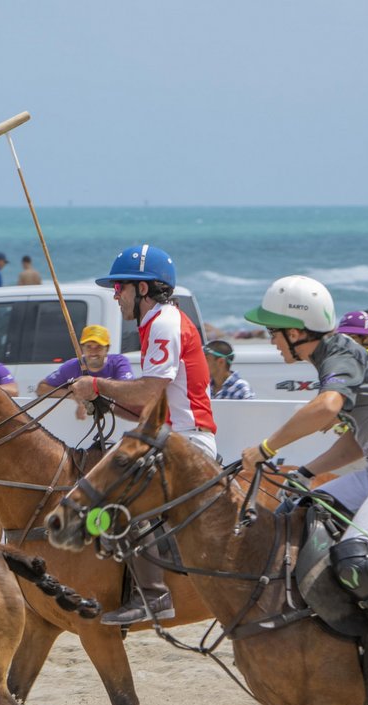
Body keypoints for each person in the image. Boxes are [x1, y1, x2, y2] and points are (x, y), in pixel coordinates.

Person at [243, 275, 368, 705]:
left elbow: (326, 408)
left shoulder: (339, 353)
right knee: (300, 507)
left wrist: (267, 448)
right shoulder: (329, 360)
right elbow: (357, 441)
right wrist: (308, 471)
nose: (272, 342)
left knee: (356, 553)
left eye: (273, 333)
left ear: (296, 331)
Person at [72, 244, 217, 625]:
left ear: (144, 289)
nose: (115, 295)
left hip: (187, 440)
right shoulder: (155, 323)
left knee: (120, 494)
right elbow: (148, 404)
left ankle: (153, 596)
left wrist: (98, 386)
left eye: (120, 287)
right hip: (170, 435)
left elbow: (149, 391)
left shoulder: (165, 322)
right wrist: (107, 403)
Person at [37, 324, 134, 417]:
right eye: (88, 347)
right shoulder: (71, 366)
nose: (93, 352)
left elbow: (129, 389)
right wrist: (72, 395)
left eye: (98, 347)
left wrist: (95, 391)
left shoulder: (119, 362)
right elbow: (41, 388)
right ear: (82, 348)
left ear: (107, 349)